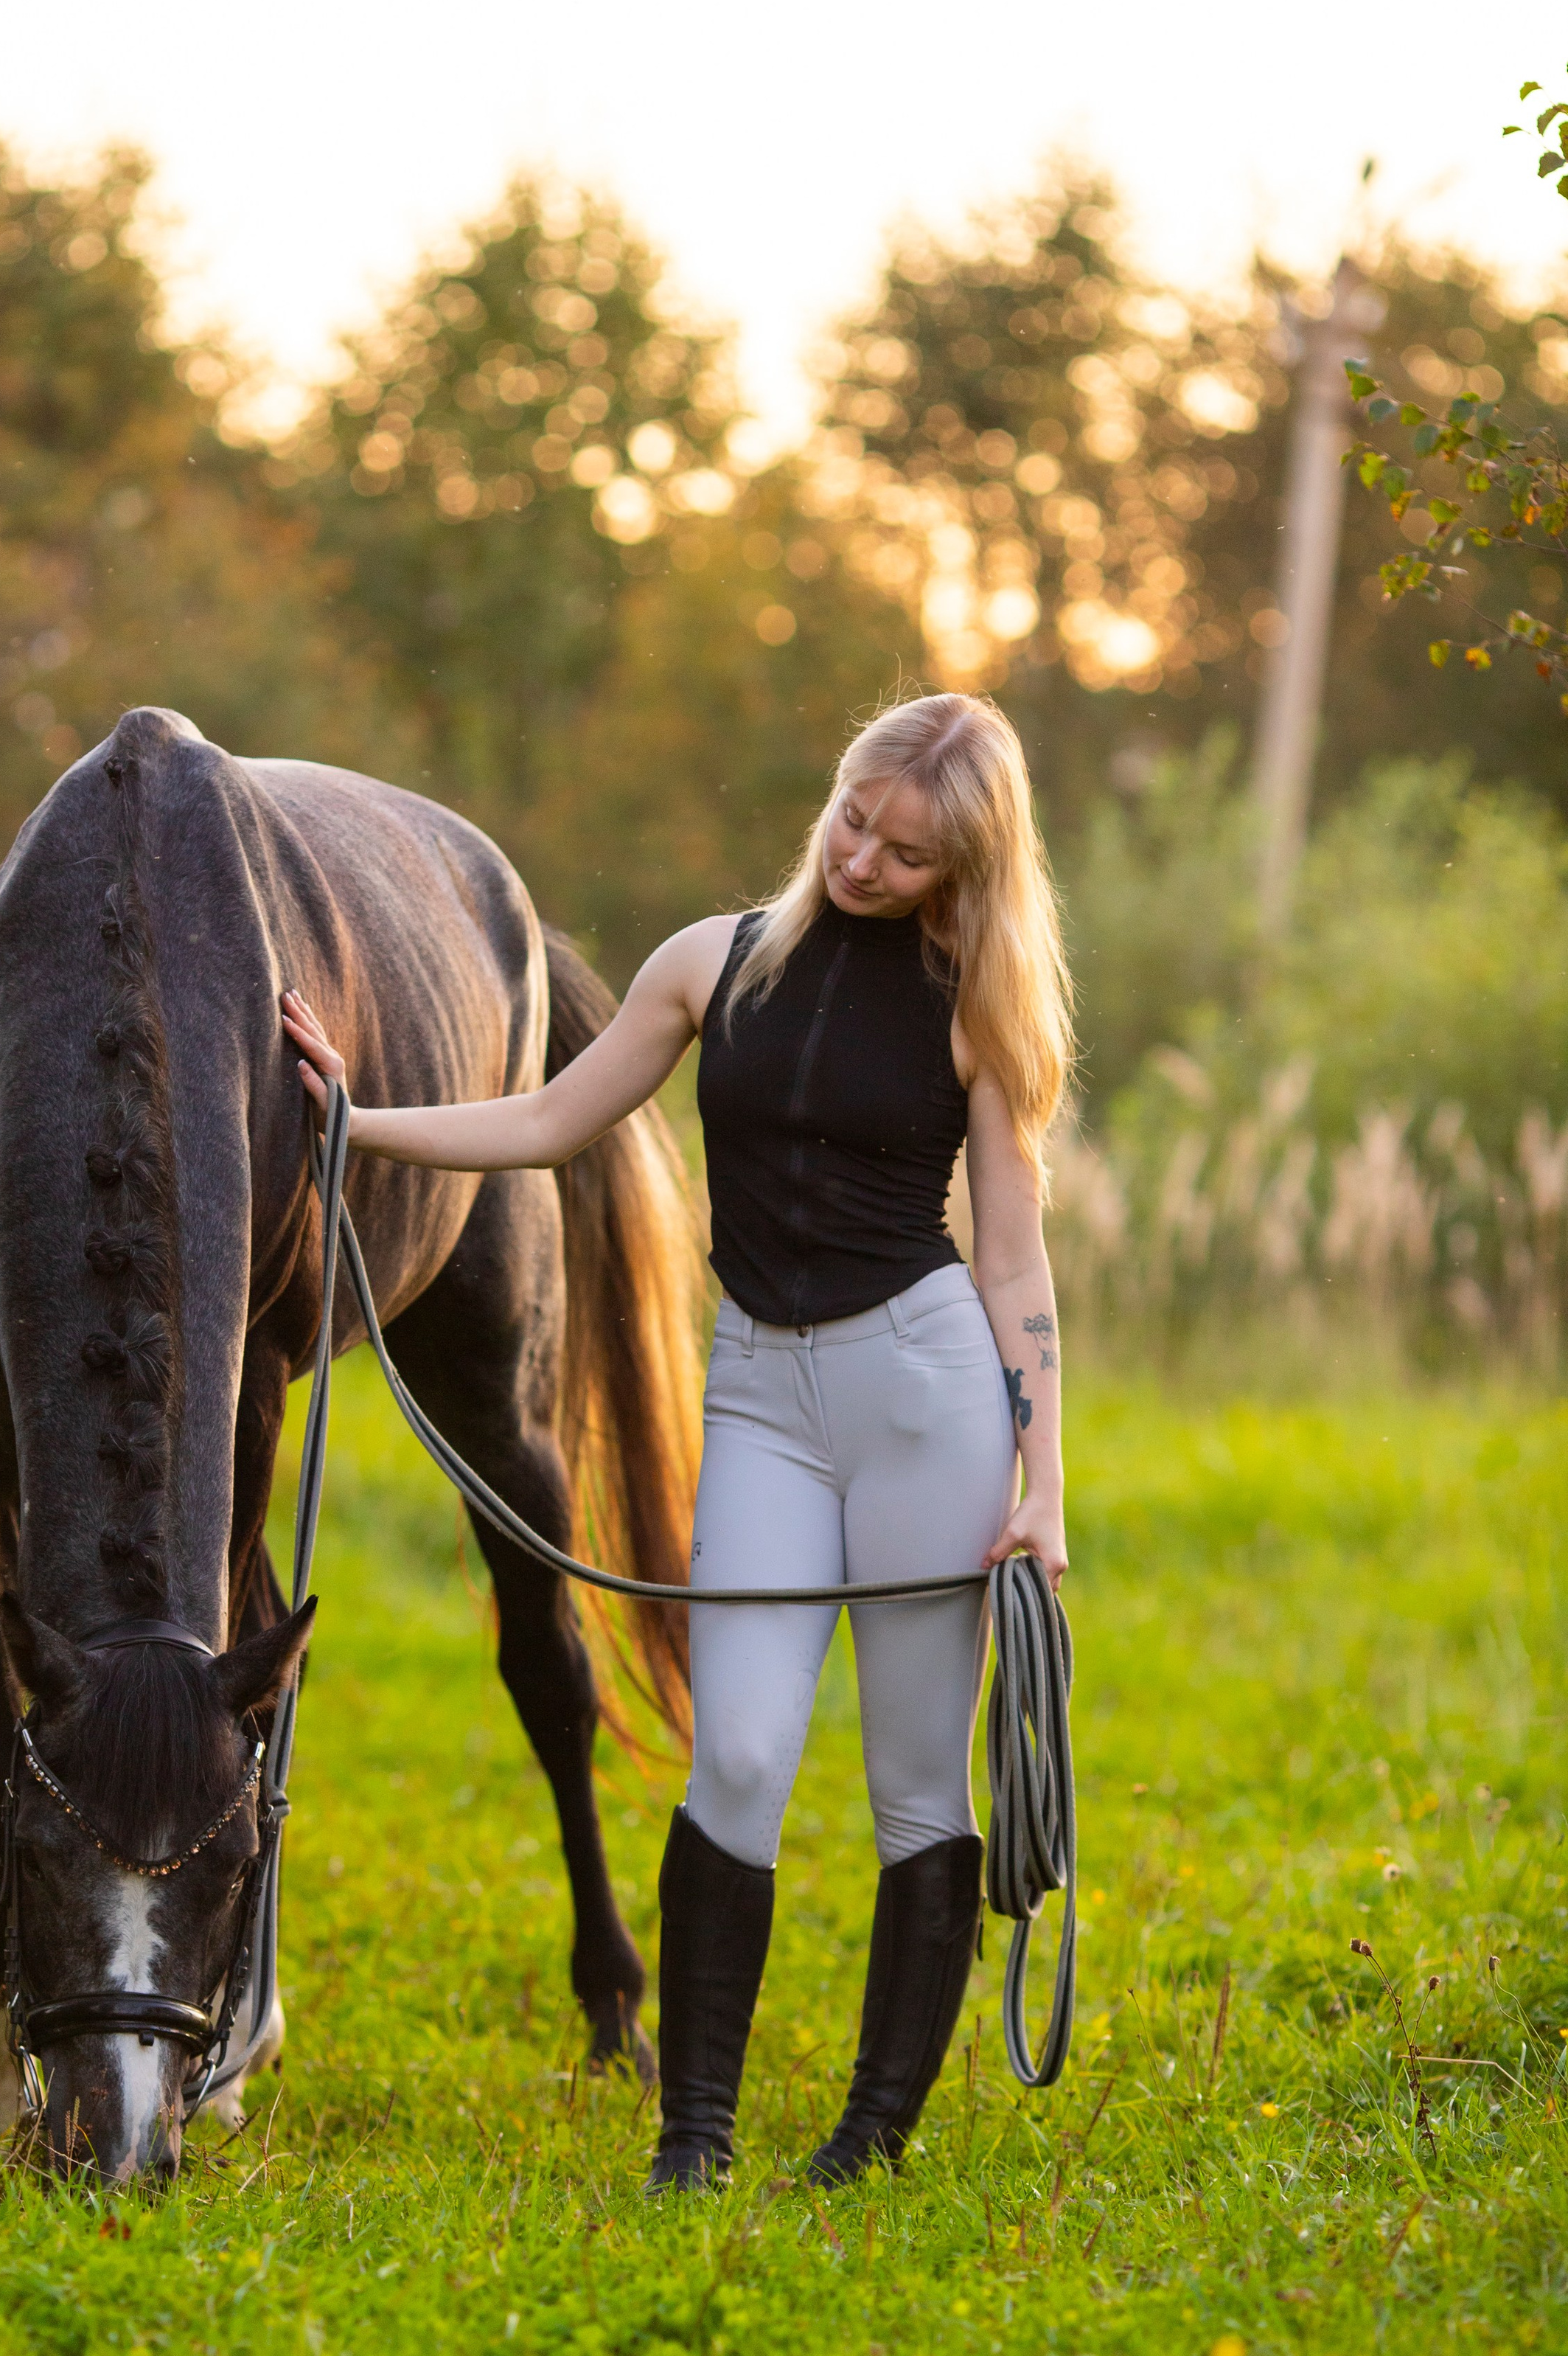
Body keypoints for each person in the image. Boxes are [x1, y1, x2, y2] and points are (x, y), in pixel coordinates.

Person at [282, 691, 1072, 2191]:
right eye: (852, 821)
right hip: (760, 1392)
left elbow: (1013, 1260)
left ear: (963, 866)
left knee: (916, 1781)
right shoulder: (708, 964)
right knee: (740, 1761)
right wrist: (357, 1123)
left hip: (923, 1394)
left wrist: (1042, 1487)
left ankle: (866, 2139)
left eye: (904, 855)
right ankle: (692, 2139)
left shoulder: (978, 1004)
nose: (859, 862)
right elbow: (547, 1119)